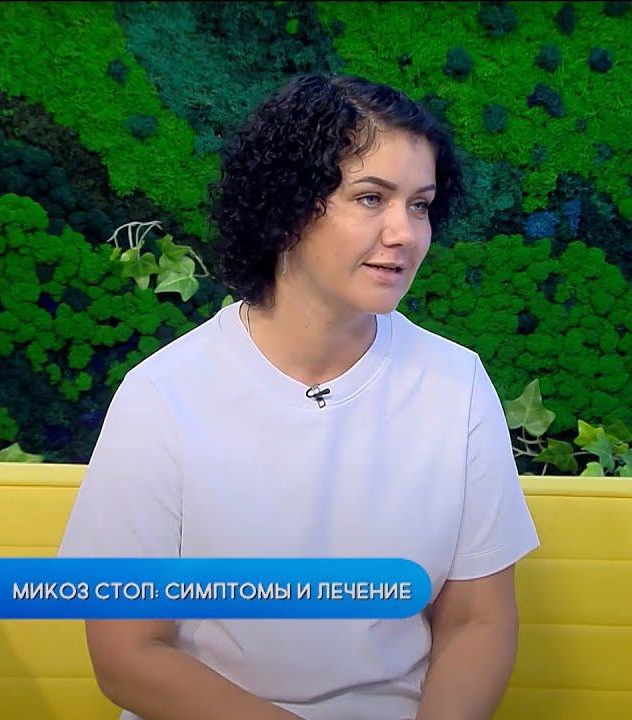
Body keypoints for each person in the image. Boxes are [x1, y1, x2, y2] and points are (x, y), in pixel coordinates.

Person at [58, 73, 540, 720]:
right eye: (371, 198)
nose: (405, 232)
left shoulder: (456, 384)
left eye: (420, 205)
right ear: (287, 206)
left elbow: (477, 620)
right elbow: (127, 654)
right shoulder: (162, 395)